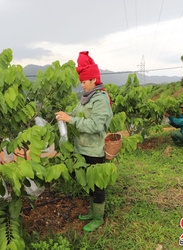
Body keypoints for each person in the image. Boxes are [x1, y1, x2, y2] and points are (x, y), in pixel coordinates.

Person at [56, 51, 113, 232]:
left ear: (94, 80)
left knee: (97, 186)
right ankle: (92, 212)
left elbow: (96, 125)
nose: (82, 85)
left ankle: (98, 217)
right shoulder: (85, 99)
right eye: (81, 82)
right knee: (88, 183)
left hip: (95, 150)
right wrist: (65, 116)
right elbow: (76, 115)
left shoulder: (100, 99)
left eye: (84, 82)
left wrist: (70, 120)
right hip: (82, 149)